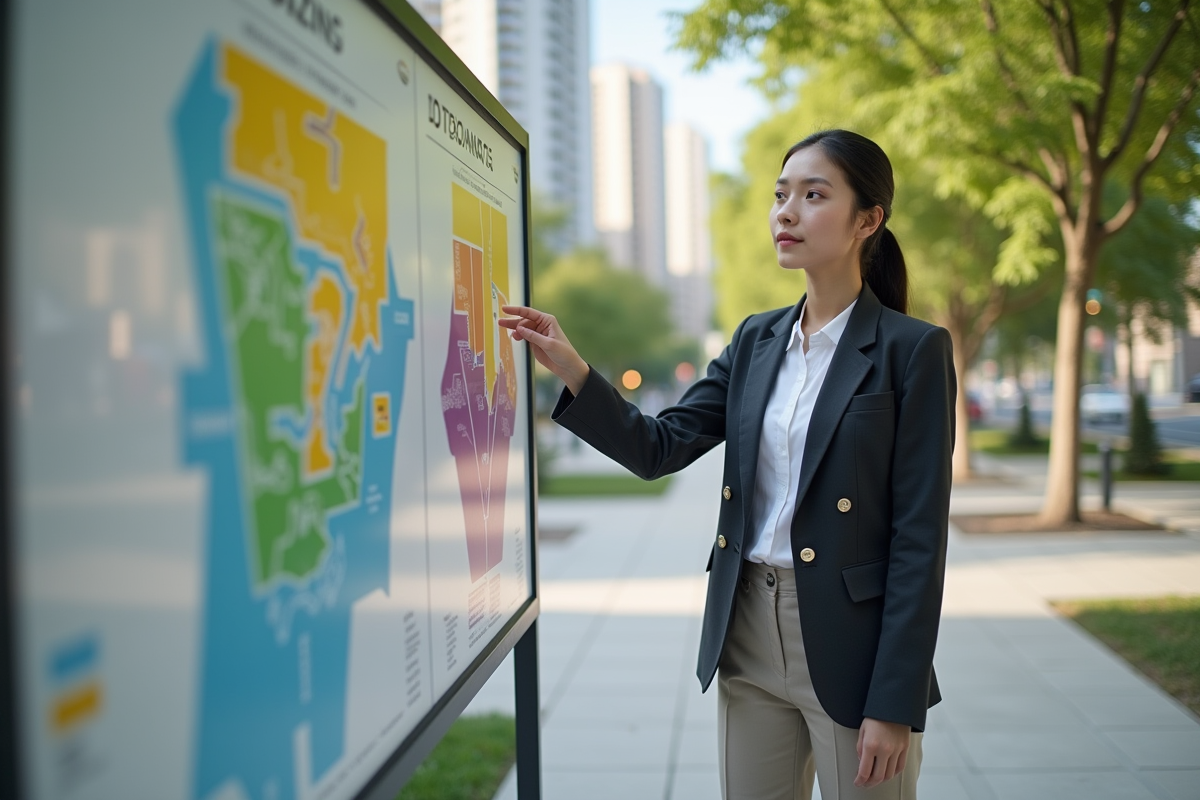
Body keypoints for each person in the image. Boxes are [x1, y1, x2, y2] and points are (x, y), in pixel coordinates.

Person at [501, 129, 954, 799]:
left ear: (868, 220)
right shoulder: (755, 340)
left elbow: (919, 539)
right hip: (746, 627)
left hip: (852, 643)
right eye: (780, 196)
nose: (786, 212)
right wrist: (572, 368)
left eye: (812, 195)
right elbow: (660, 447)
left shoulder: (911, 350)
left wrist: (895, 699)